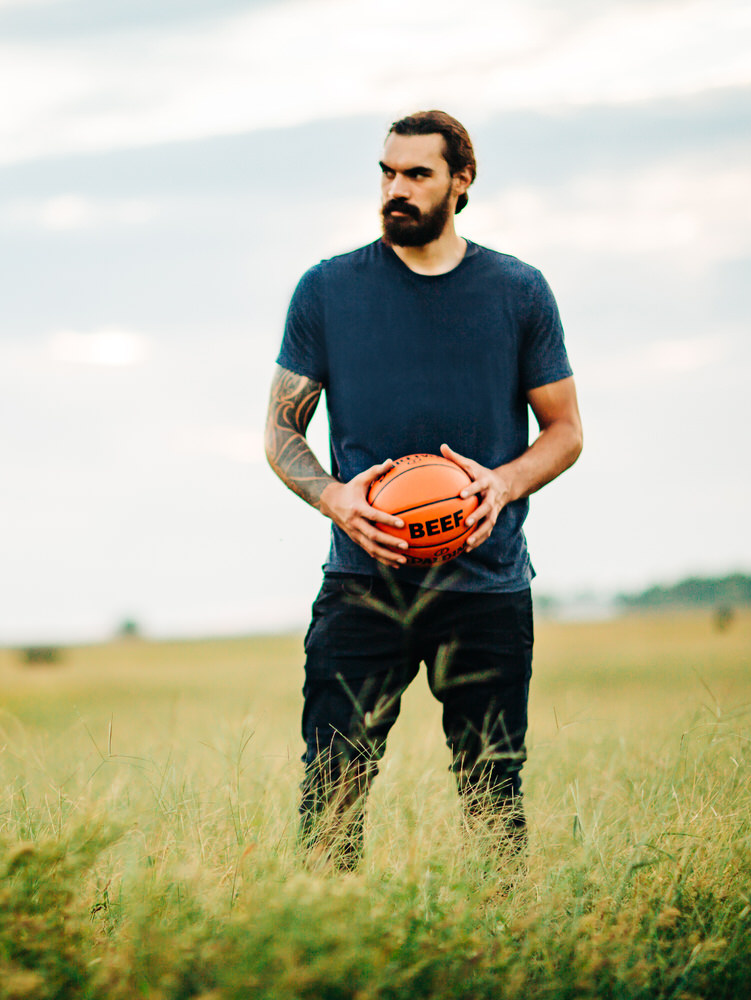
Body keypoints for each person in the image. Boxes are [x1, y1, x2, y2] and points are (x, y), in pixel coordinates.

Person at [263, 110, 583, 873]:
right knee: (333, 786)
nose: (395, 190)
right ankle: (328, 953)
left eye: (416, 174)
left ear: (461, 181)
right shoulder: (328, 289)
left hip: (486, 583)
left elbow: (565, 431)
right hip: (362, 584)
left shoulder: (518, 291)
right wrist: (336, 498)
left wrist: (502, 485)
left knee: (493, 792)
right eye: (386, 172)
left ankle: (501, 954)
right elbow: (281, 433)